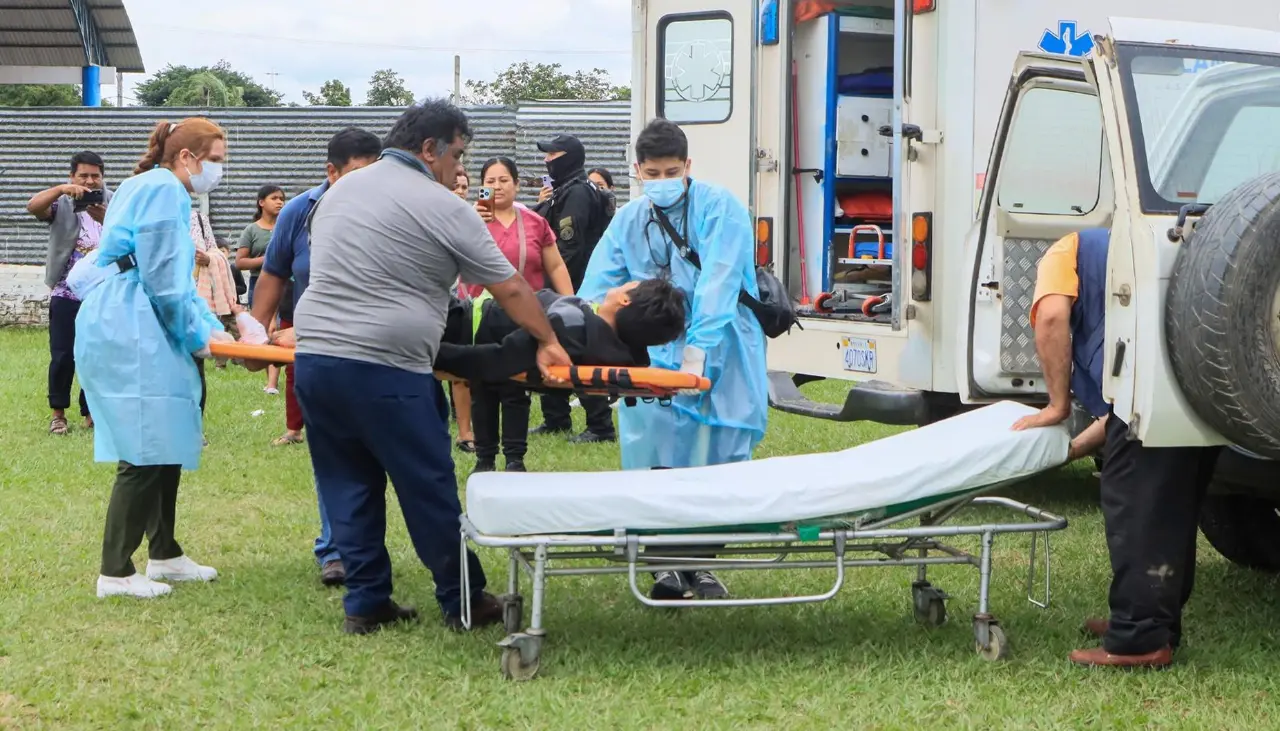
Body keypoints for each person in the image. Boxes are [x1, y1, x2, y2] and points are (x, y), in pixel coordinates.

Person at [291, 99, 572, 635]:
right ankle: (463, 600)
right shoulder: (445, 206)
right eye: (457, 155)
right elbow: (509, 285)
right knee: (427, 485)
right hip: (387, 368)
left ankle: (367, 601)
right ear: (429, 149)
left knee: (346, 483)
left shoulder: (338, 191)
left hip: (317, 362)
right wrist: (548, 339)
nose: (459, 170)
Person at [578, 118, 769, 601]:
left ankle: (702, 562)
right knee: (656, 455)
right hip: (655, 353)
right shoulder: (628, 220)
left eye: (671, 171)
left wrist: (696, 352)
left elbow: (720, 283)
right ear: (637, 170)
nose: (662, 181)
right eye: (653, 172)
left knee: (722, 451)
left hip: (724, 344)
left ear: (688, 166)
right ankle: (663, 563)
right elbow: (598, 285)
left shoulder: (720, 208)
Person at [1012, 229, 1220, 669]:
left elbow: (1050, 317)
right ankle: (1155, 623)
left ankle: (1140, 639)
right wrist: (1070, 450)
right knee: (1170, 508)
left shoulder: (1065, 250)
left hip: (1156, 386)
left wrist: (1056, 405)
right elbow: (1118, 419)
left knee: (1134, 505)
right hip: (1197, 390)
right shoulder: (1147, 251)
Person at [75, 118, 236, 599]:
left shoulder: (144, 184)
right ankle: (116, 571)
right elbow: (166, 282)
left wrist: (217, 326)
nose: (219, 171)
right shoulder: (168, 192)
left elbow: (173, 282)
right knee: (144, 444)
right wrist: (200, 336)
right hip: (136, 321)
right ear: (188, 157)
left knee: (164, 436)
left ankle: (164, 552)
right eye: (217, 161)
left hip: (130, 315)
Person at [250, 126, 383, 587]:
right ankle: (337, 550)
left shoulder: (387, 209)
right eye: (358, 174)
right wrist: (254, 333)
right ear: (331, 171)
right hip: (320, 358)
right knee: (333, 454)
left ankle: (364, 544)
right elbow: (273, 274)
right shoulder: (298, 212)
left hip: (377, 352)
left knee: (375, 456)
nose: (368, 184)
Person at [464, 157, 575, 473]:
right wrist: (471, 222)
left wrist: (569, 303)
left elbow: (555, 265)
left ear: (515, 184)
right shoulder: (469, 220)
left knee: (516, 389)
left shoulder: (535, 222)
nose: (496, 187)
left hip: (524, 316)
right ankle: (484, 458)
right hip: (479, 317)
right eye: (490, 181)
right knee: (482, 389)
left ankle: (514, 458)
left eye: (503, 180)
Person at [532, 134, 617, 445]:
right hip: (570, 289)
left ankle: (600, 426)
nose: (546, 160)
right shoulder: (564, 192)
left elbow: (570, 248)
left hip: (575, 288)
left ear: (568, 158)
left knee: (582, 354)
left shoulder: (577, 194)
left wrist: (556, 292)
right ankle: (556, 418)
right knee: (553, 349)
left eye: (552, 155)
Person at [437, 279, 686, 384]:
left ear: (625, 300)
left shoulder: (569, 328)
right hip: (466, 314)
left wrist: (429, 354)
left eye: (632, 283)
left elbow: (498, 360)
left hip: (460, 322)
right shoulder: (608, 340)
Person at [26, 151, 111, 436]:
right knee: (63, 354)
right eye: (83, 176)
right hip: (66, 293)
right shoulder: (62, 201)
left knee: (97, 355)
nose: (89, 181)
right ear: (72, 176)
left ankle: (91, 412)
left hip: (104, 295)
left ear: (102, 177)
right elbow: (33, 207)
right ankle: (58, 414)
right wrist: (62, 190)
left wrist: (106, 217)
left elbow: (133, 234)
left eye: (95, 176)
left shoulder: (113, 201)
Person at [238, 185, 286, 394]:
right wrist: (266, 260)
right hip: (259, 284)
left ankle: (273, 383)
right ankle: (269, 380)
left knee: (279, 329)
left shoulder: (286, 226)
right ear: (261, 202)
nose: (279, 202)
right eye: (274, 198)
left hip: (286, 285)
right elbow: (240, 262)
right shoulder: (252, 230)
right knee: (263, 330)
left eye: (282, 198)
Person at [448, 167, 477, 453]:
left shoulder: (473, 218)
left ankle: (465, 433)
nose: (458, 190)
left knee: (460, 372)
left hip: (461, 305)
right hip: (424, 304)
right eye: (454, 185)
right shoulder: (432, 214)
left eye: (464, 186)